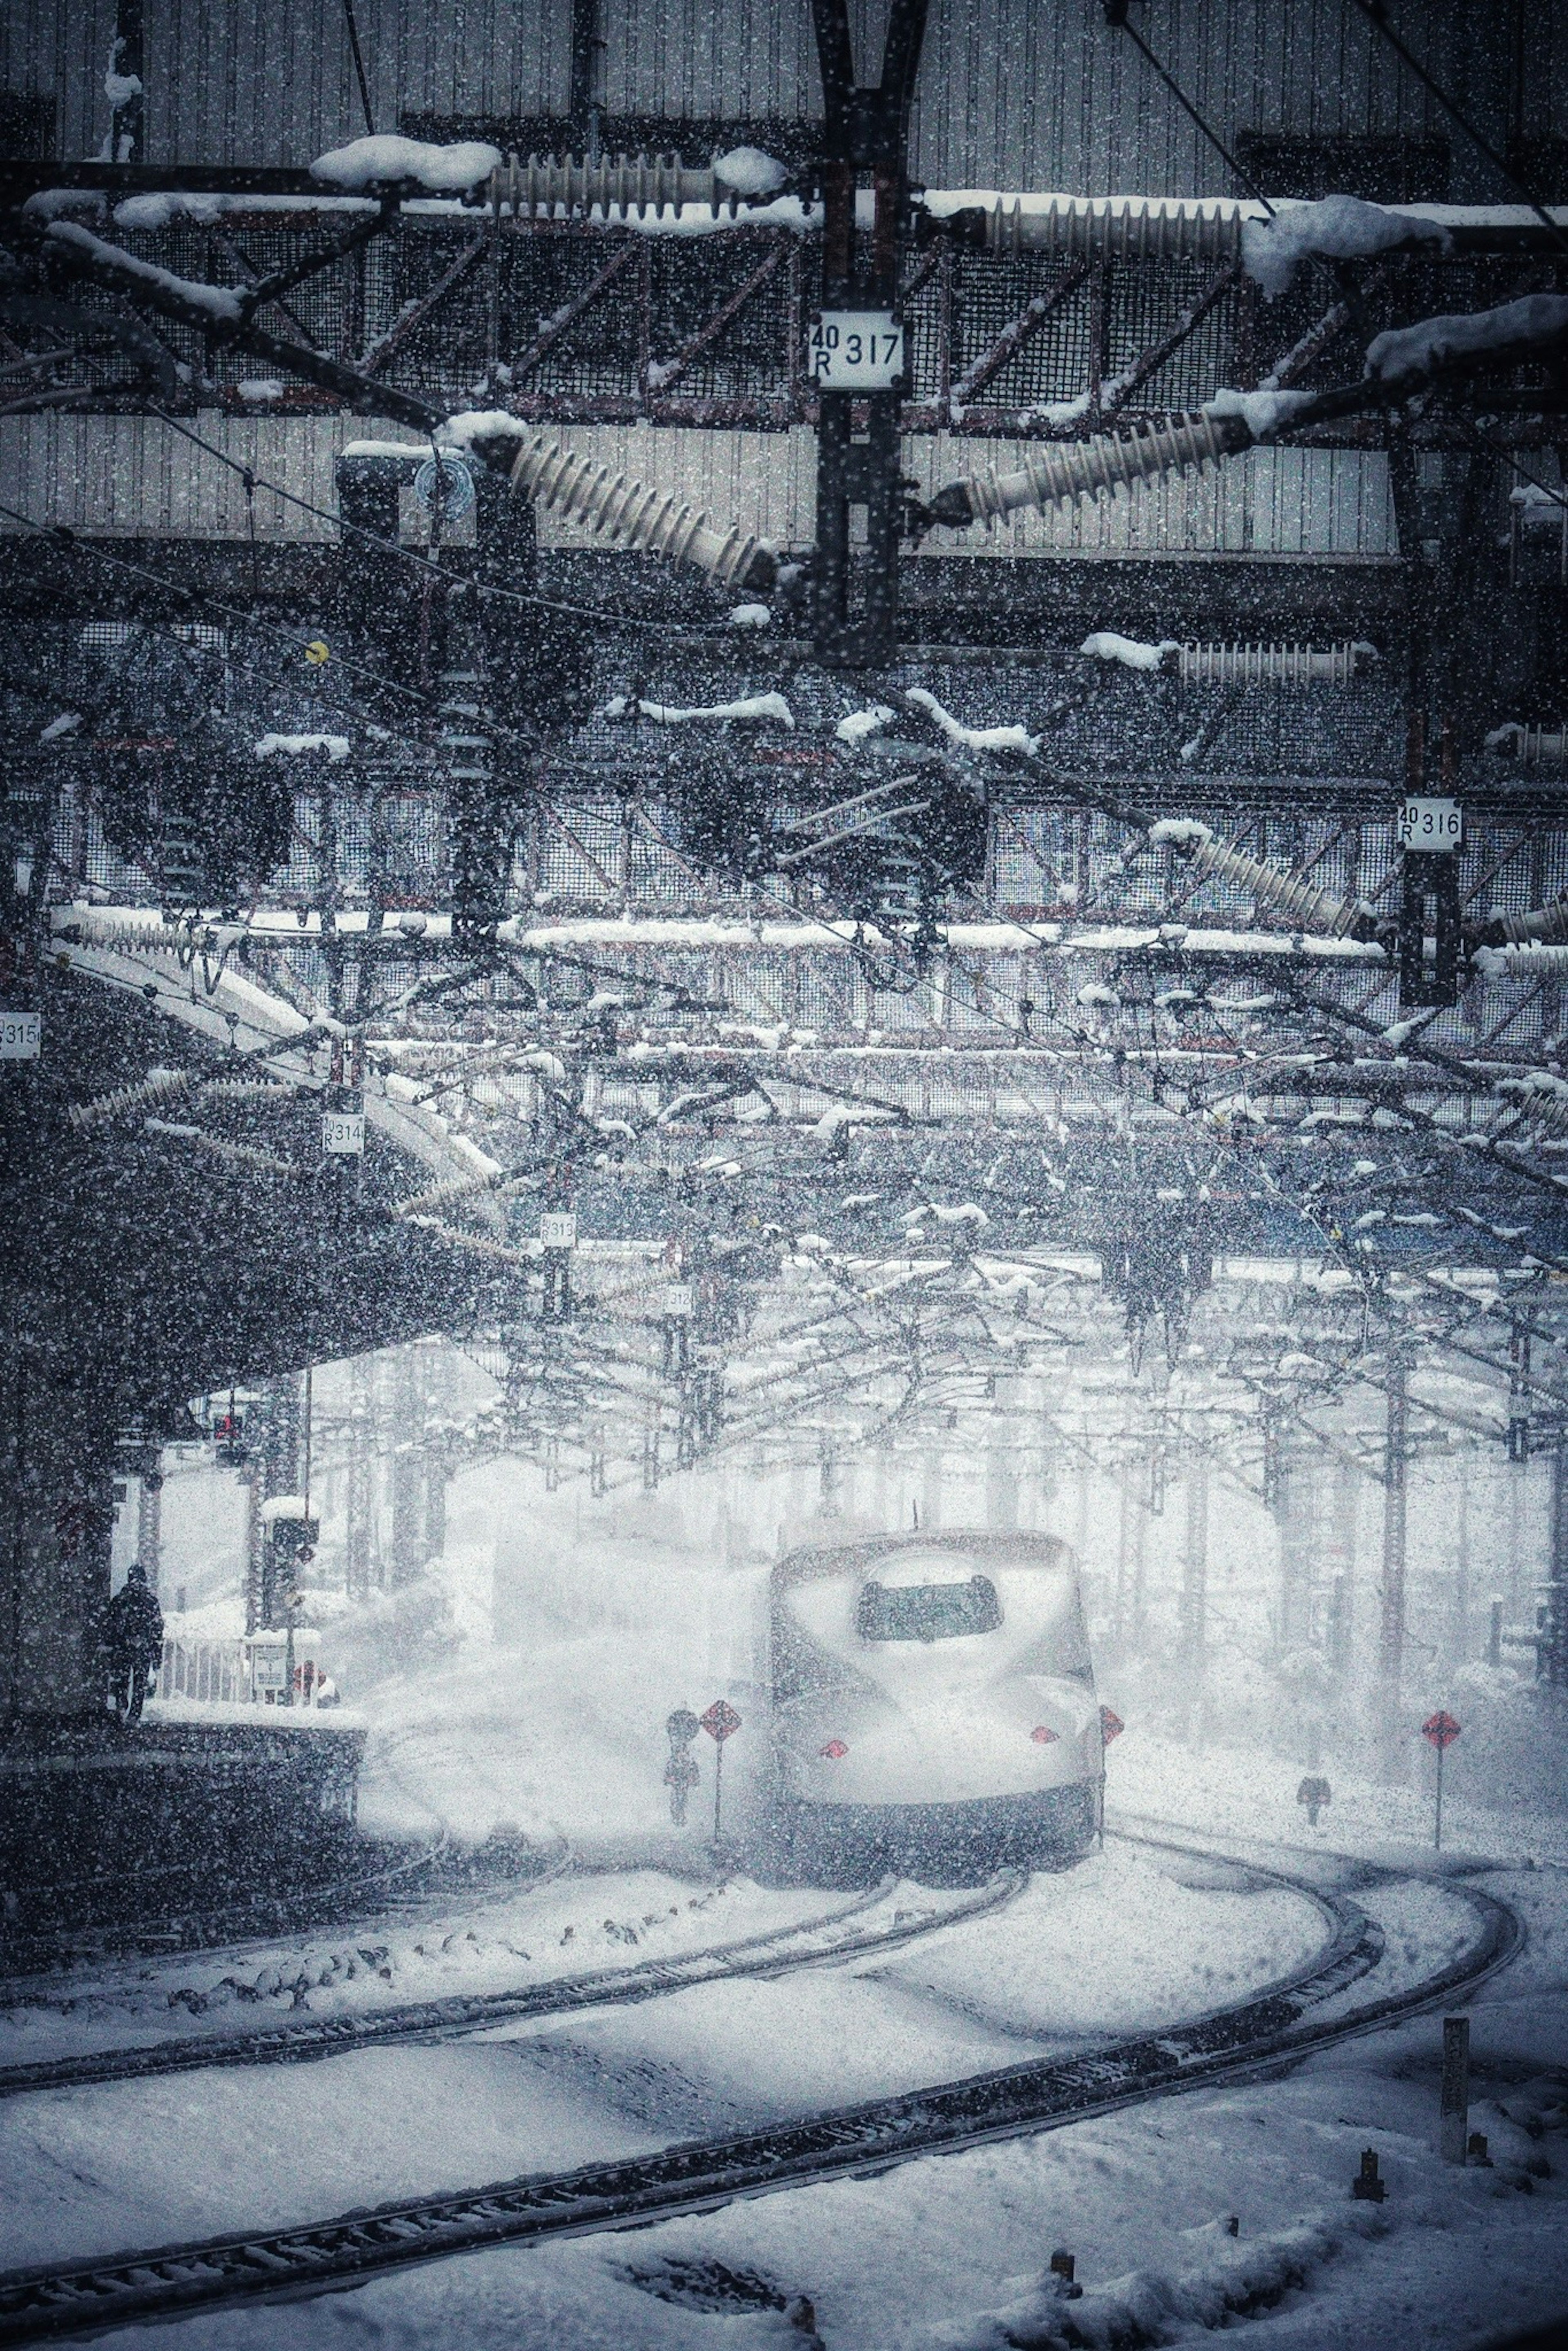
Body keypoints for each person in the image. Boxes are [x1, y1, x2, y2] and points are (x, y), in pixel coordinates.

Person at [104, 1561, 164, 1724]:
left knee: (122, 1680)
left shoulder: (120, 1600)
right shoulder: (151, 1601)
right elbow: (158, 1629)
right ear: (144, 1579)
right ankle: (134, 1714)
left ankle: (121, 1707)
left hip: (122, 1648)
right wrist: (157, 1657)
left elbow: (110, 1625)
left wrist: (112, 1647)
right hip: (143, 1649)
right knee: (140, 1684)